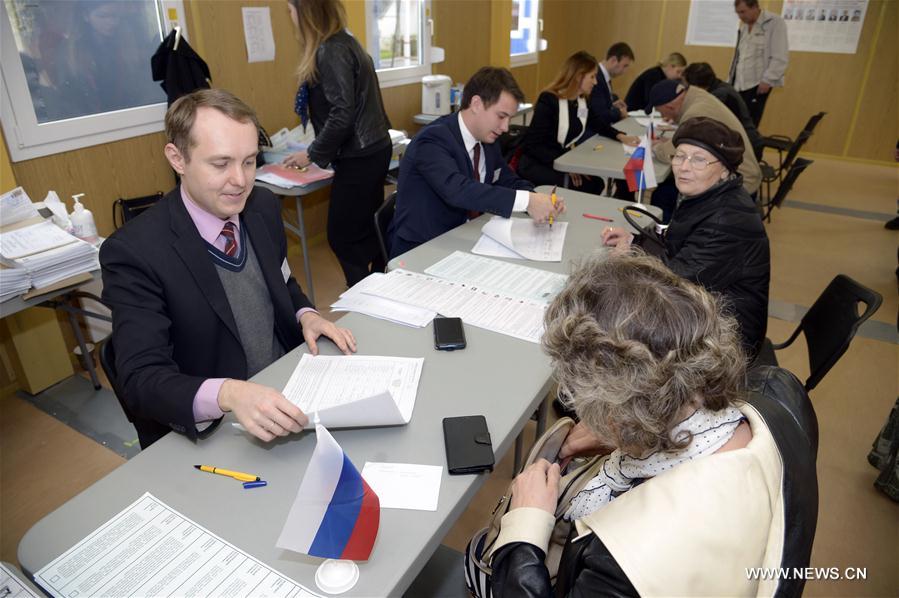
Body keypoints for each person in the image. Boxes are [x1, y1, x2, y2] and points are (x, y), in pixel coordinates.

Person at [477, 251, 816, 597]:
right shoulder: (780, 392)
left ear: (612, 407)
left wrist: (526, 529)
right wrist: (626, 433)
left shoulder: (622, 560)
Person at [100, 89, 357, 449]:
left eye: (249, 161)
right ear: (177, 159)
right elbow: (141, 380)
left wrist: (306, 315)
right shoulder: (134, 253)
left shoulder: (261, 207)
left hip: (284, 389)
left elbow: (283, 281)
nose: (240, 180)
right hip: (214, 425)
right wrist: (231, 394)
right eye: (220, 164)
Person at [603, 117, 770, 356]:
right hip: (702, 309)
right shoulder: (708, 195)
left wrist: (625, 263)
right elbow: (675, 242)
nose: (684, 167)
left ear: (724, 169)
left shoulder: (726, 219)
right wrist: (634, 240)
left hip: (725, 339)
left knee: (614, 332)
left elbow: (674, 283)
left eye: (698, 160)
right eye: (680, 156)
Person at [389, 67, 564, 257]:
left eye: (509, 119)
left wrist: (538, 199)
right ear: (476, 104)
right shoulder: (432, 140)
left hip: (465, 238)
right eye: (501, 116)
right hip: (422, 249)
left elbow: (506, 179)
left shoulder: (486, 139)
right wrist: (528, 202)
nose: (505, 127)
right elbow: (459, 190)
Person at [282, 0, 392, 287]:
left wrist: (312, 154)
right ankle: (381, 281)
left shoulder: (330, 49)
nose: (290, 17)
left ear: (305, 13)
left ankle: (367, 293)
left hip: (360, 154)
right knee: (369, 227)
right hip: (372, 146)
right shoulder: (346, 41)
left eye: (290, 10)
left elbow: (342, 112)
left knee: (341, 236)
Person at [518, 51, 639, 195]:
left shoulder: (581, 101)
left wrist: (620, 136)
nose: (595, 82)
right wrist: (564, 165)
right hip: (538, 163)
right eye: (592, 77)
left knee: (596, 183)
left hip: (561, 159)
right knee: (588, 186)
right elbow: (533, 145)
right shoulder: (549, 100)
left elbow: (597, 123)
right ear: (578, 76)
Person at [646, 79, 761, 222]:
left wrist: (654, 147)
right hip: (739, 174)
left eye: (659, 111)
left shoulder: (695, 113)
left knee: (662, 195)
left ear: (669, 106)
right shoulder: (697, 95)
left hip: (740, 183)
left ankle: (665, 239)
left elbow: (671, 153)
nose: (662, 116)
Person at [683, 61, 763, 160]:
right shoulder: (720, 87)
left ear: (696, 86)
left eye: (687, 86)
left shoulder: (719, 96)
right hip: (745, 143)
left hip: (745, 149)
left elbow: (701, 125)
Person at [728, 0, 789, 127]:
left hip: (757, 84)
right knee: (734, 122)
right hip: (739, 84)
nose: (740, 16)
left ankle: (750, 146)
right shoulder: (744, 27)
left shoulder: (774, 22)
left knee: (749, 124)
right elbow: (739, 56)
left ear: (755, 7)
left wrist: (768, 80)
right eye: (738, 13)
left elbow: (780, 56)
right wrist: (730, 80)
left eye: (743, 12)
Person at [589, 42, 634, 125]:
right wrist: (619, 112)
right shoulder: (597, 78)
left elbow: (597, 106)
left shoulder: (604, 76)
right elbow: (600, 115)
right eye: (624, 66)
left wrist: (611, 105)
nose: (625, 71)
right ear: (613, 60)